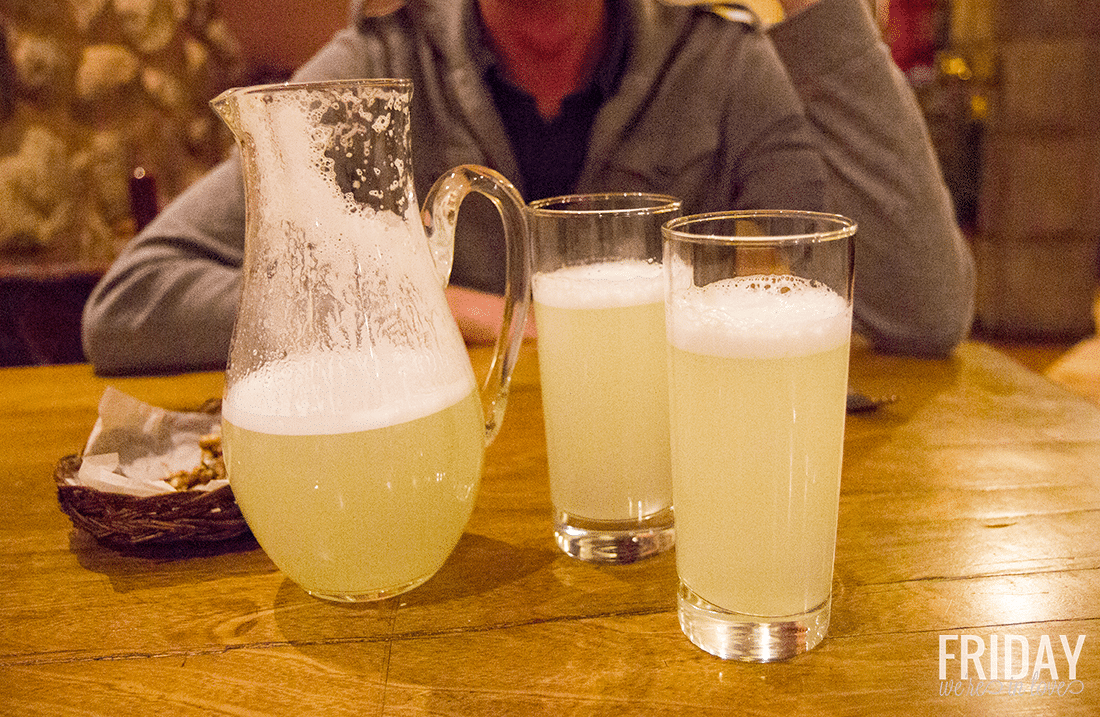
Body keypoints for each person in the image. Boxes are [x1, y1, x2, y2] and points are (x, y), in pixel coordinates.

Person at [82, 0, 976, 375]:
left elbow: (921, 310)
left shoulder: (726, 65)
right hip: (443, 523)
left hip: (682, 519)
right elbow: (133, 303)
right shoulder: (378, 67)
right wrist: (464, 306)